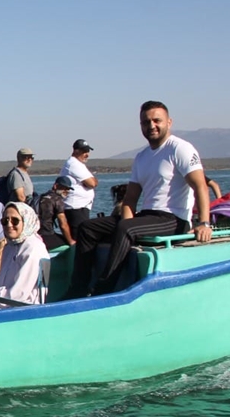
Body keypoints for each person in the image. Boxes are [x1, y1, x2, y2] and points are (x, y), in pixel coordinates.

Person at [65, 101, 212, 299]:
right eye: (146, 122)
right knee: (87, 228)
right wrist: (123, 223)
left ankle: (104, 291)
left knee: (126, 229)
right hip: (148, 216)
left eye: (156, 120)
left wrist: (204, 223)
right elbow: (130, 200)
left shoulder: (180, 149)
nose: (151, 125)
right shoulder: (142, 157)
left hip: (173, 219)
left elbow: (200, 186)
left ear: (169, 122)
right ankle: (78, 289)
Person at [60, 139, 98, 233]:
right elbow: (92, 183)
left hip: (80, 208)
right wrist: (89, 182)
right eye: (84, 151)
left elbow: (93, 182)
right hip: (75, 209)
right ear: (76, 151)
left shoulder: (79, 164)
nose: (87, 154)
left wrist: (90, 182)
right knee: (79, 236)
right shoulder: (73, 164)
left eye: (88, 151)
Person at [36, 176, 76, 250]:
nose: (67, 191)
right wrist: (71, 241)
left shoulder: (40, 197)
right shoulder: (57, 199)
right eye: (64, 188)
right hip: (46, 235)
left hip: (35, 235)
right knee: (69, 244)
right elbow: (63, 225)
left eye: (68, 189)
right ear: (56, 186)